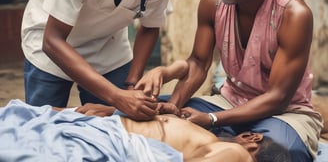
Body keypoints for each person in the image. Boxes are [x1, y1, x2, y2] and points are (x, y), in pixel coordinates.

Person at [134, 0, 323, 162]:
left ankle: (222, 137)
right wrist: (174, 104)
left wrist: (213, 120)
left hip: (285, 113)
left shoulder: (294, 15)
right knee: (145, 114)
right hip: (229, 100)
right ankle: (223, 137)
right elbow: (198, 63)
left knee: (274, 153)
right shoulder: (212, 2)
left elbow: (278, 97)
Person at [21, 0, 187, 121]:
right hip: (52, 49)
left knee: (116, 126)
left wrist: (131, 84)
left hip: (109, 50)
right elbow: (52, 40)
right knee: (43, 125)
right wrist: (116, 96)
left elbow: (150, 27)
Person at [0, 99, 291, 162]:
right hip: (102, 130)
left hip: (111, 140)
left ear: (253, 139)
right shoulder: (208, 140)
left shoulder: (238, 153)